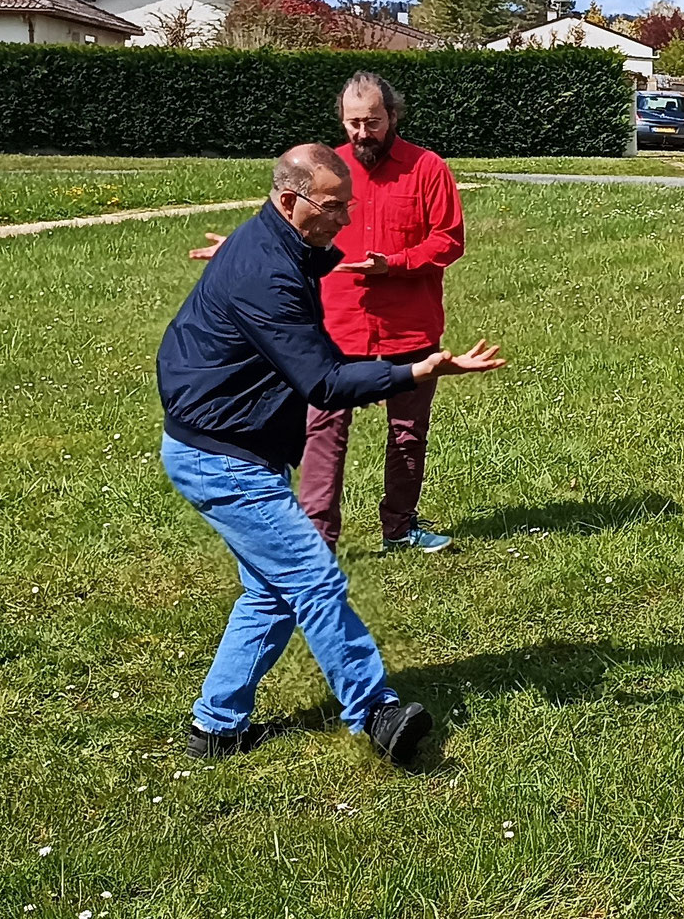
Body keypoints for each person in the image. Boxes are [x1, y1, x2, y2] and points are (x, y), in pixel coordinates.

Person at [159, 143, 504, 764]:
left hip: (229, 446)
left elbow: (323, 262)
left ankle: (216, 725)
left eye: (348, 204)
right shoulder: (265, 271)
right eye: (334, 206)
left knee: (271, 591)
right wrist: (415, 370)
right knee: (315, 578)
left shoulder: (274, 244)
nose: (344, 220)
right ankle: (374, 711)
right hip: (222, 457)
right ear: (290, 200)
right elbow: (324, 383)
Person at [194, 72, 466, 554]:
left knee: (408, 434)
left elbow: (448, 240)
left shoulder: (428, 168)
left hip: (409, 328)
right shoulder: (326, 169)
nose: (363, 133)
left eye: (374, 122)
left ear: (394, 117)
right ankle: (318, 541)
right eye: (353, 123)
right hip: (335, 326)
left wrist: (396, 264)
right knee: (324, 432)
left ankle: (400, 528)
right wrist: (238, 249)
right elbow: (279, 225)